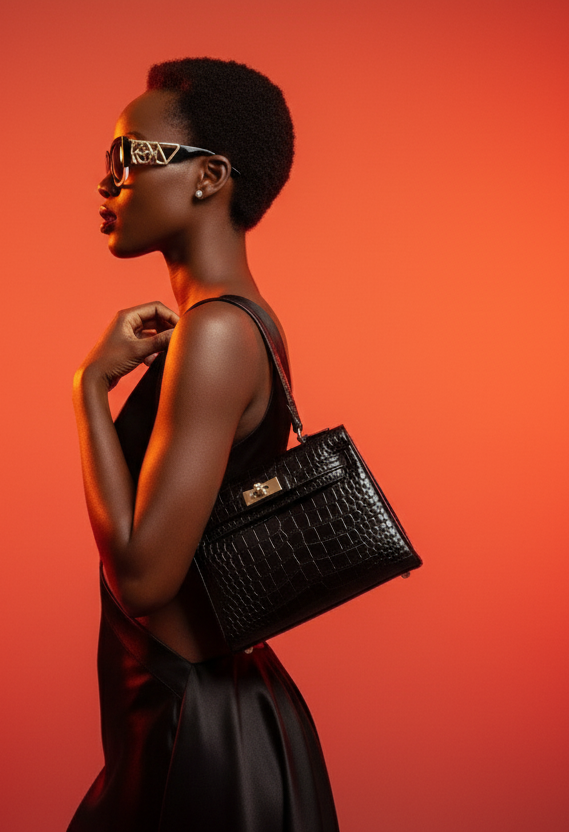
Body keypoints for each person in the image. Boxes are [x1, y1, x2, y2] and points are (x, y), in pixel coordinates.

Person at [67, 58, 339, 832]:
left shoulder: (216, 333)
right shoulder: (242, 322)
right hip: (211, 717)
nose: (106, 181)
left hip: (192, 733)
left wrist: (88, 389)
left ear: (208, 177)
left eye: (129, 156)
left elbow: (144, 578)